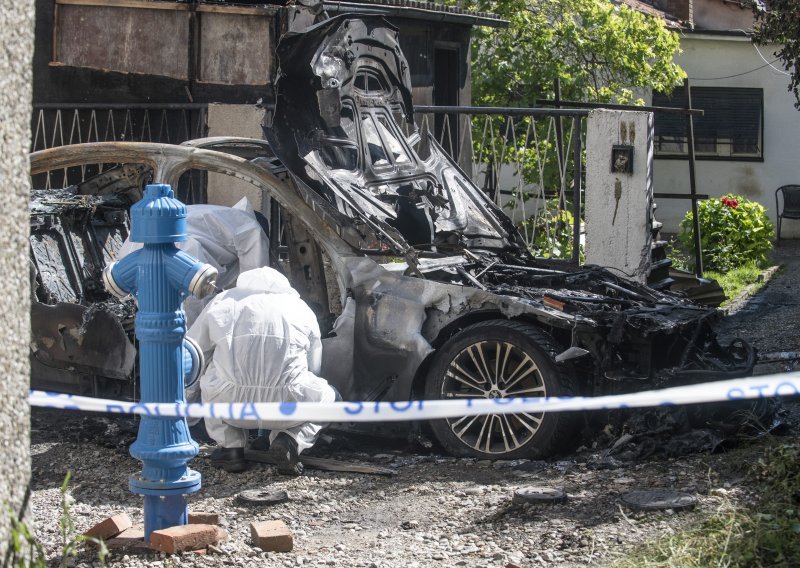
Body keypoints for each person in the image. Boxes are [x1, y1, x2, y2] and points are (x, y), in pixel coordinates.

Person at [186, 266, 337, 475]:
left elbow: (193, 355)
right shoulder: (300, 308)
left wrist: (186, 407)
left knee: (211, 377)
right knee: (329, 396)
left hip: (229, 407)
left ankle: (231, 451)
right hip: (287, 407)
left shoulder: (222, 302)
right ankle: (290, 439)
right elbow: (315, 367)